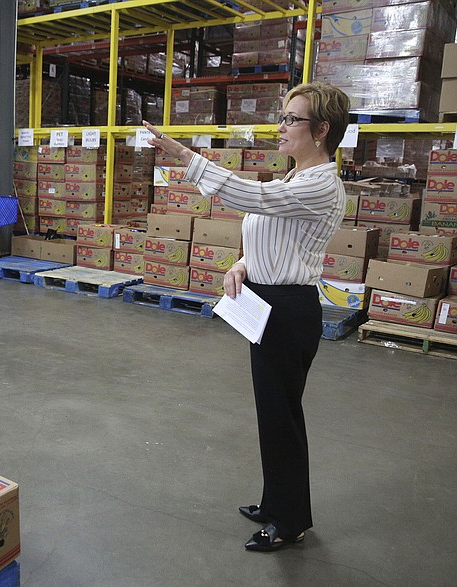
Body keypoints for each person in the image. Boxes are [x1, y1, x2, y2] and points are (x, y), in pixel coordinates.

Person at [144, 81, 350, 552]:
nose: (280, 127)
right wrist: (240, 266)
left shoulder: (321, 184)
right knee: (272, 412)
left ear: (321, 130)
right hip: (266, 303)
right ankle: (275, 501)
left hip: (287, 310)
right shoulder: (294, 180)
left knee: (281, 416)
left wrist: (183, 154)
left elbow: (250, 199)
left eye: (291, 119)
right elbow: (272, 236)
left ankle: (290, 520)